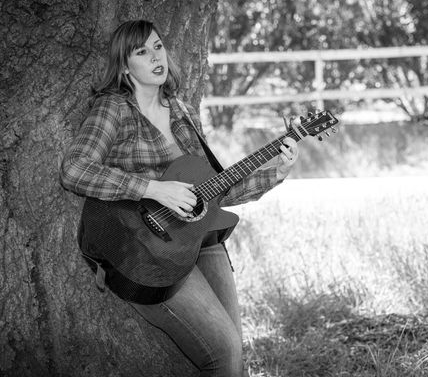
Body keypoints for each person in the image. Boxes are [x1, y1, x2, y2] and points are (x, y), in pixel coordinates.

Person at [59, 19, 299, 376]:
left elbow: (214, 189)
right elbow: (75, 169)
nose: (156, 57)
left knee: (233, 353)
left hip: (202, 239)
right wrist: (154, 189)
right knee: (225, 351)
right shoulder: (114, 109)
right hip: (145, 249)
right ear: (124, 67)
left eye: (158, 46)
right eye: (142, 52)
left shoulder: (182, 111)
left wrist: (277, 171)